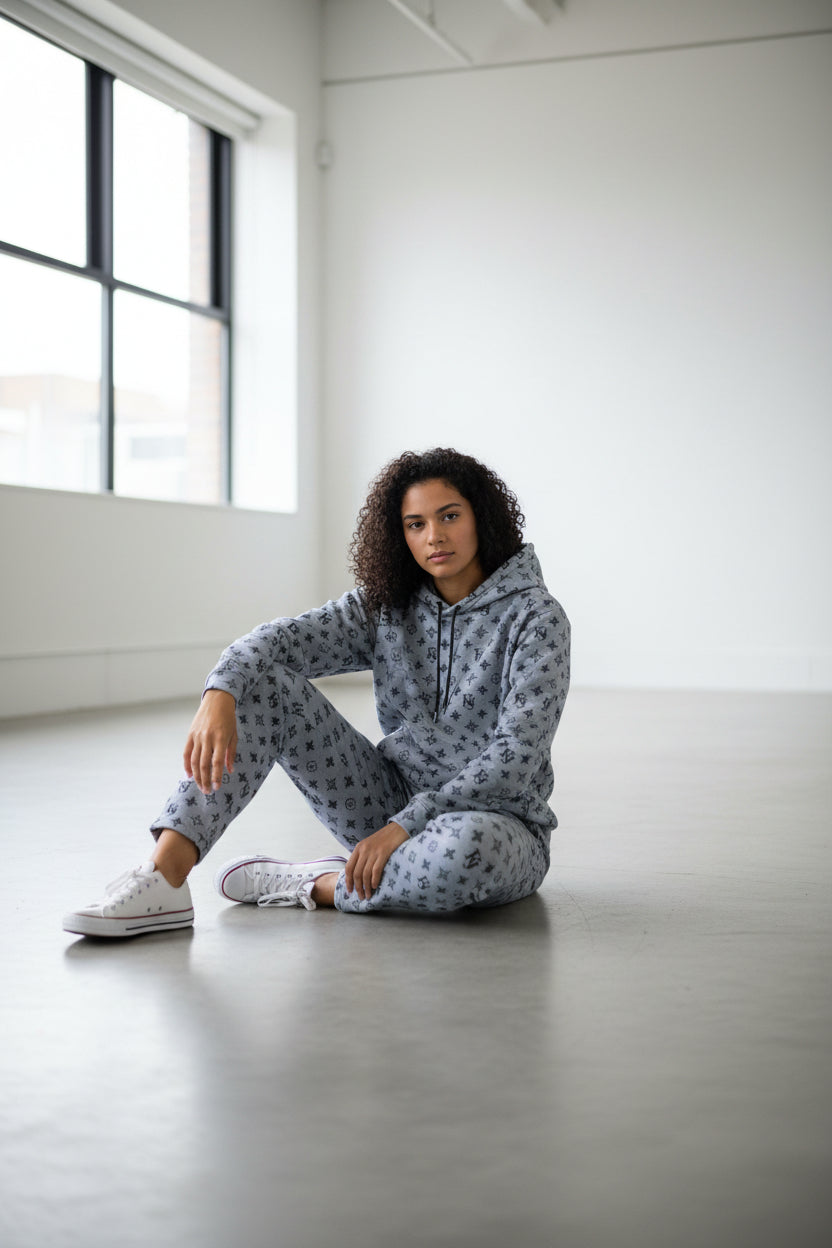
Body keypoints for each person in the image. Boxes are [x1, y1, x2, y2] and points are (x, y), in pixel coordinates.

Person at [63, 448, 570, 937]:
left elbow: (515, 759)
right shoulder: (389, 605)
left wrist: (406, 826)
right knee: (262, 681)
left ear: (481, 516)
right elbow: (280, 640)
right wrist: (220, 691)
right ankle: (164, 878)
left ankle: (321, 884)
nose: (434, 536)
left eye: (450, 516)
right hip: (383, 807)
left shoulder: (536, 618)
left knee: (466, 853)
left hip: (495, 826)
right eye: (416, 524)